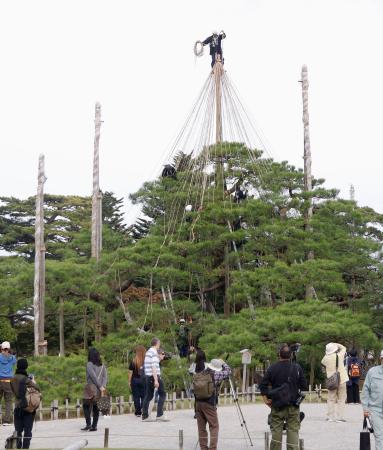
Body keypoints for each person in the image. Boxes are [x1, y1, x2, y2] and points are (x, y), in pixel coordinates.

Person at [259, 344, 307, 450]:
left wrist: (265, 399)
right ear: (290, 355)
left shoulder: (272, 368)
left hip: (277, 404)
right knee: (293, 430)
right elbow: (304, 385)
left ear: (279, 355)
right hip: (293, 404)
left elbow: (262, 385)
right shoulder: (296, 367)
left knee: (276, 430)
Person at [193, 350, 231, 450]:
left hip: (198, 404)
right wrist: (224, 363)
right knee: (214, 426)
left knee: (201, 429)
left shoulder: (200, 373)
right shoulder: (216, 375)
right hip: (209, 404)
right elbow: (228, 371)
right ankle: (212, 448)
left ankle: (203, 448)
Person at [10, 358, 40, 449]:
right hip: (27, 408)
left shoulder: (12, 379)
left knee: (18, 431)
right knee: (27, 431)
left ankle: (18, 447)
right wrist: (33, 381)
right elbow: (37, 388)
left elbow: (14, 392)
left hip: (17, 407)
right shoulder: (26, 379)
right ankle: (25, 447)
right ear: (26, 366)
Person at [141, 338, 168, 422]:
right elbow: (153, 366)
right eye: (159, 343)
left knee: (148, 396)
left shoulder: (149, 352)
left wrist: (159, 359)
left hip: (148, 376)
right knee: (163, 394)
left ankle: (145, 416)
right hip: (154, 376)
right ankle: (159, 414)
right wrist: (156, 380)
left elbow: (151, 364)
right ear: (157, 343)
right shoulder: (153, 352)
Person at [321, 342, 348, 422]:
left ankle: (330, 417)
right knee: (341, 399)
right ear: (334, 349)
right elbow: (344, 348)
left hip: (332, 381)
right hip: (342, 379)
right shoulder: (339, 356)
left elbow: (322, 364)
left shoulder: (325, 358)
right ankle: (340, 417)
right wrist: (336, 344)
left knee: (331, 399)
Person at [82, 348, 108, 431]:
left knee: (86, 406)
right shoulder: (102, 365)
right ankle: (94, 426)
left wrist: (100, 386)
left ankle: (88, 424)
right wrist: (103, 386)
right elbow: (105, 377)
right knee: (95, 407)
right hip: (99, 389)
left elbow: (93, 377)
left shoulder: (89, 364)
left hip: (90, 387)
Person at [361, 349, 383, 450]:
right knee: (379, 436)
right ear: (381, 359)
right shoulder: (372, 372)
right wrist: (365, 409)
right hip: (375, 410)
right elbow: (365, 390)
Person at [0, 341, 17, 425]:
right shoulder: (12, 358)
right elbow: (14, 361)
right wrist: (11, 353)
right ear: (9, 348)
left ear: (2, 348)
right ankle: (6, 421)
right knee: (8, 401)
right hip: (8, 381)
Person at [128, 345, 146, 417]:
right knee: (144, 396)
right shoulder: (146, 361)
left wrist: (129, 381)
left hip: (134, 380)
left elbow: (130, 372)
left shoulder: (133, 361)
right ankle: (142, 409)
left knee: (136, 397)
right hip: (143, 380)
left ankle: (138, 412)